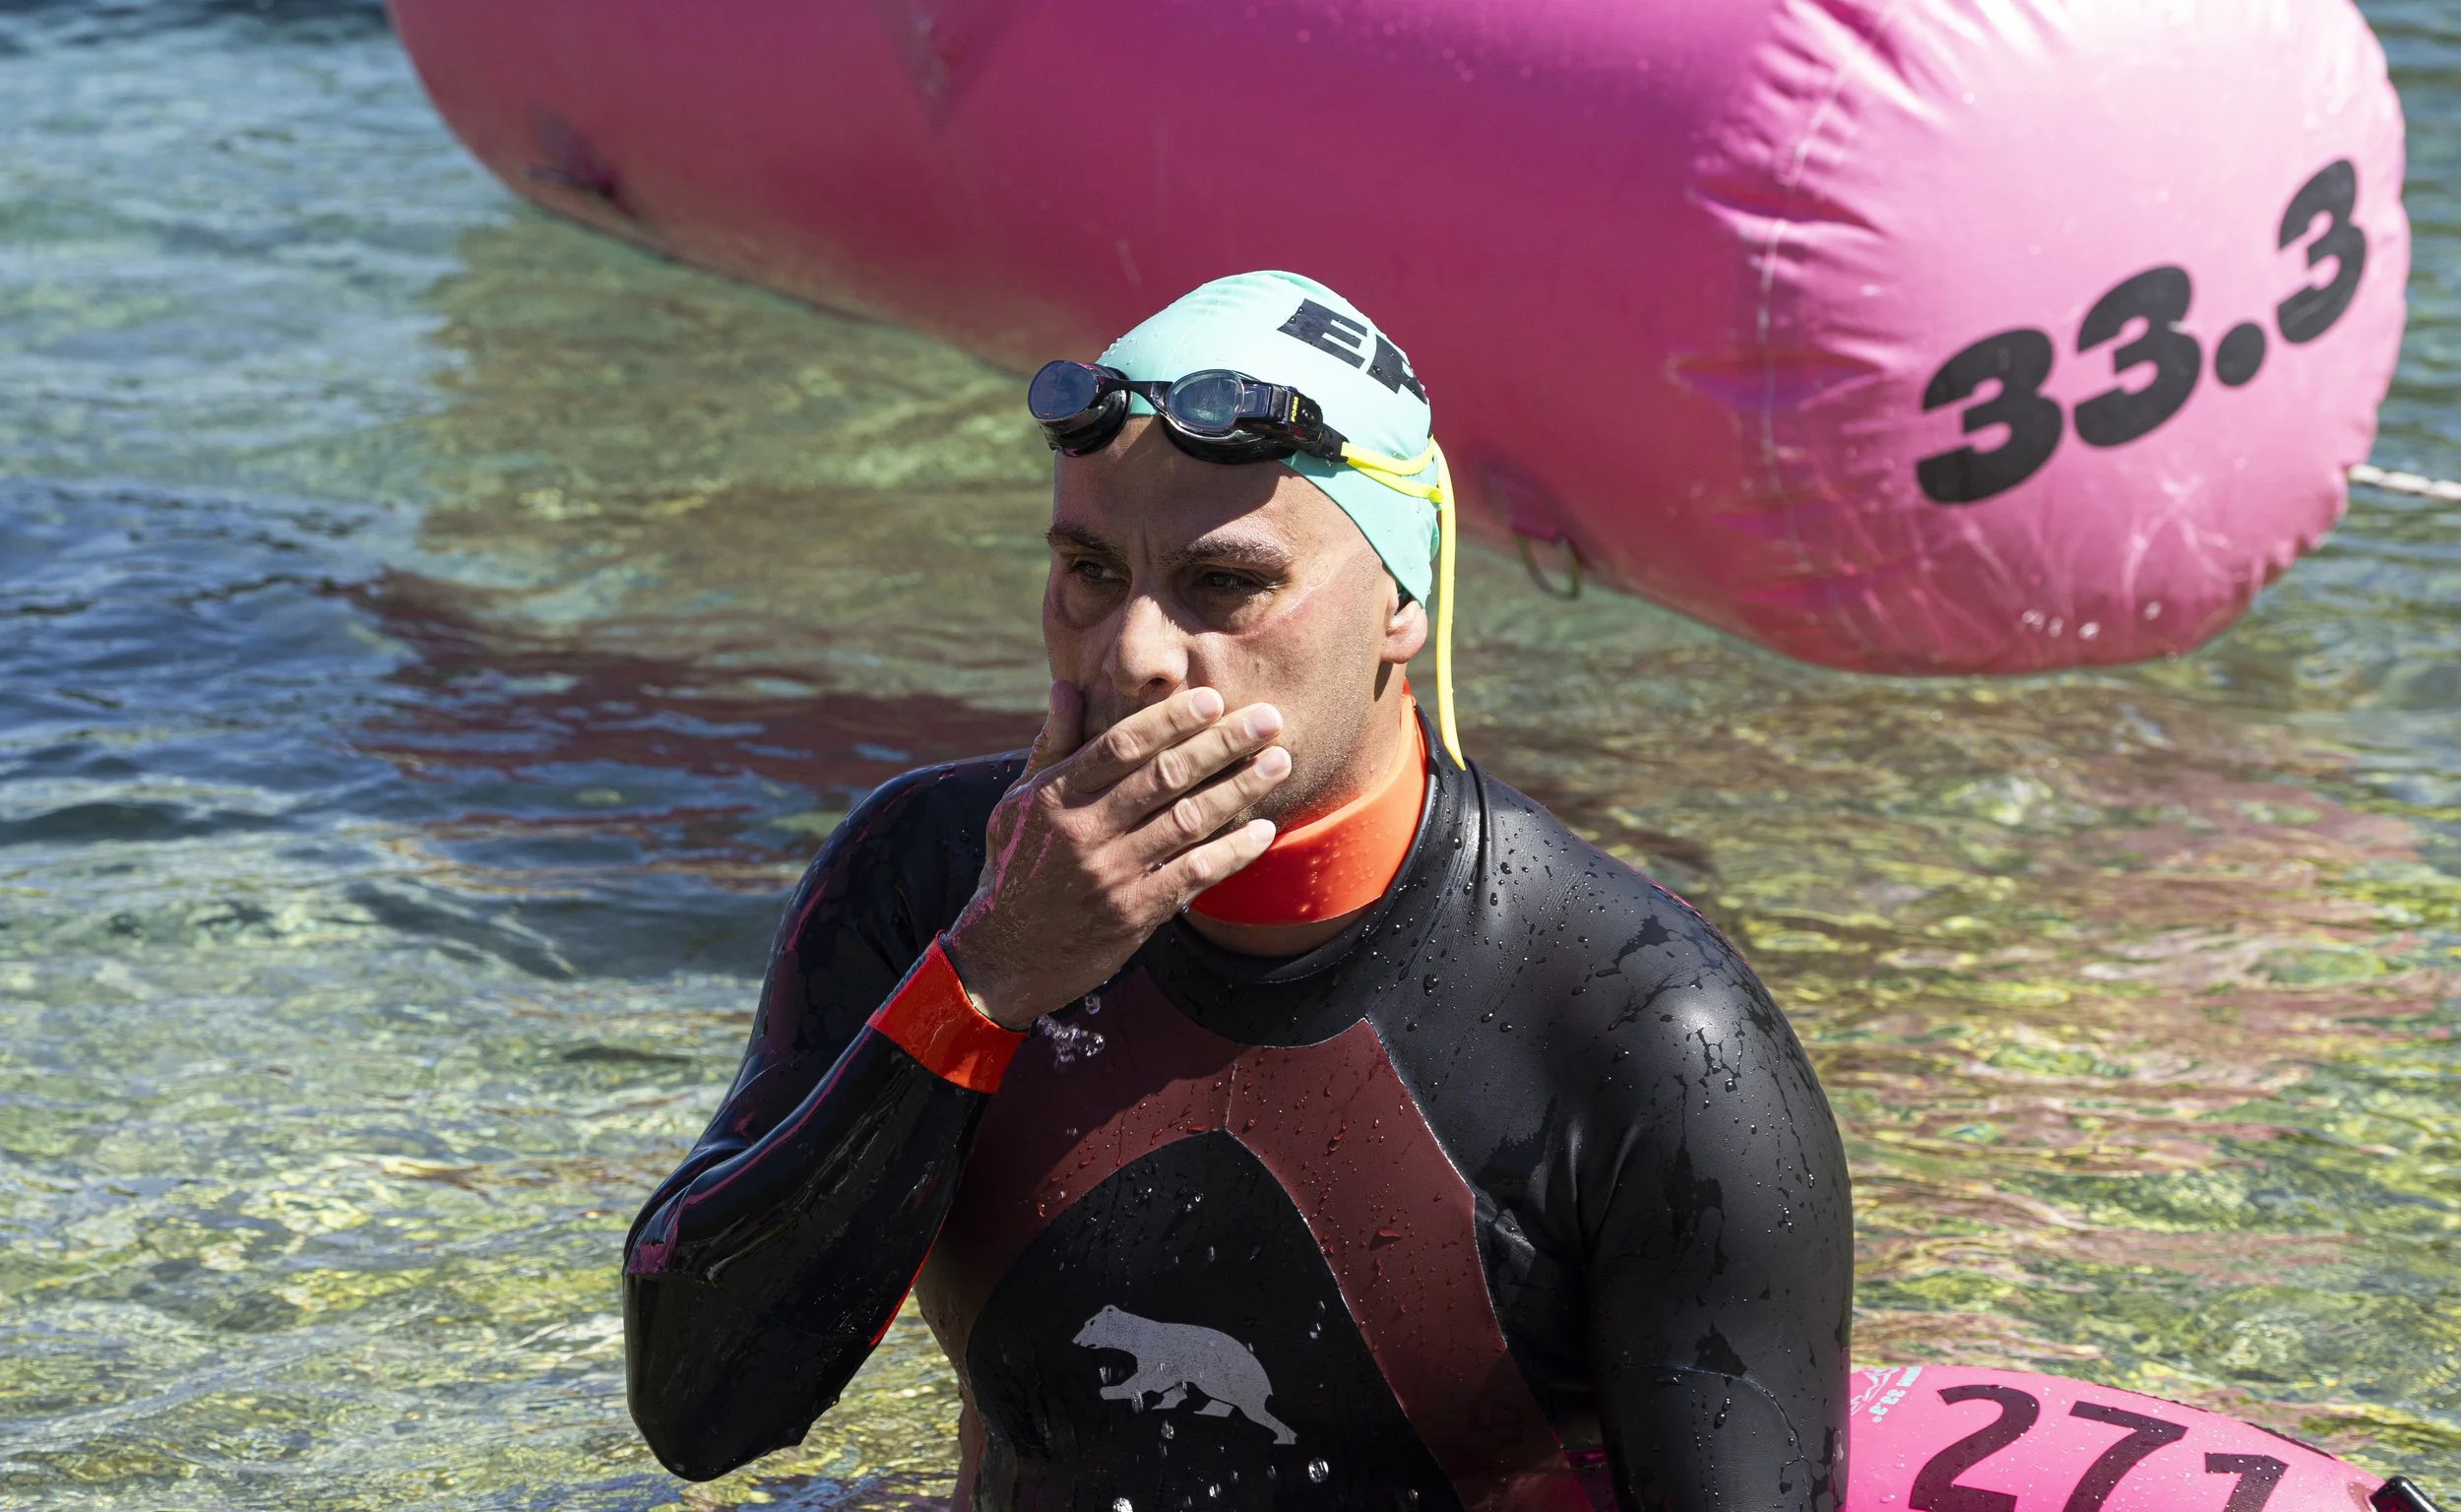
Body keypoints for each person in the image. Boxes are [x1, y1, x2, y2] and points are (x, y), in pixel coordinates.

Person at [621, 271, 1853, 1511]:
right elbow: (698, 1414)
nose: (1135, 654)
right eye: (1091, 569)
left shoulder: (1645, 1033)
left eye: (1222, 584)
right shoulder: (930, 878)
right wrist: (987, 980)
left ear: (1399, 603)